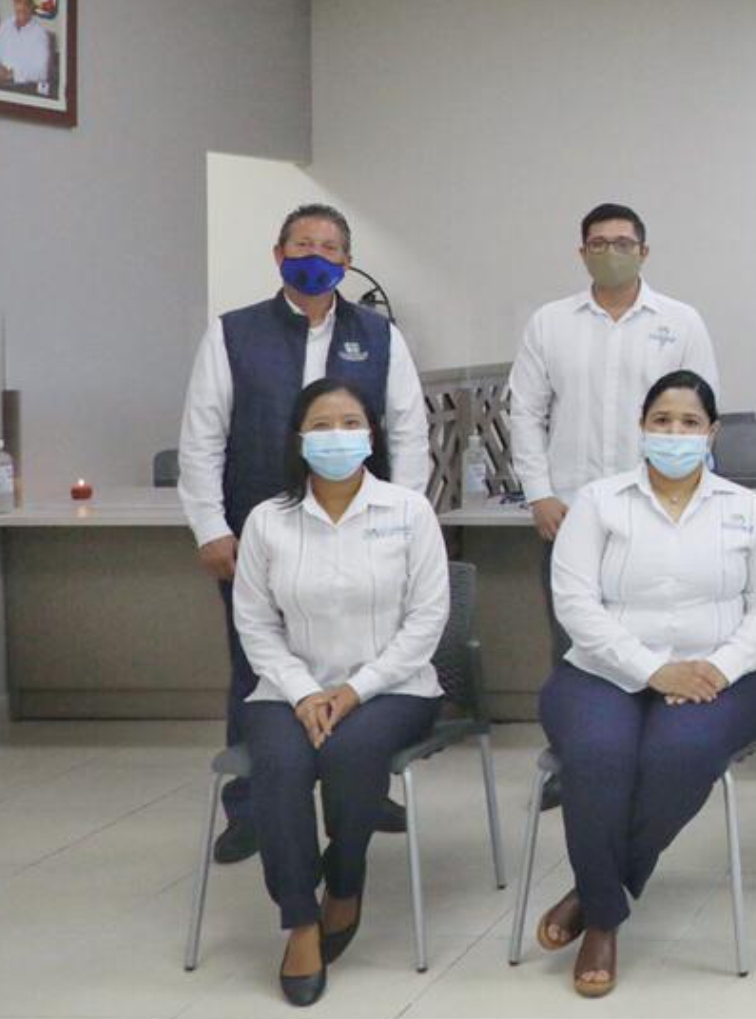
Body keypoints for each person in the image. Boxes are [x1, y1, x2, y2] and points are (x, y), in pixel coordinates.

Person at [179, 203, 430, 864]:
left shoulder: (379, 335)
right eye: (302, 245)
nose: (315, 256)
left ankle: (361, 789)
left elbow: (409, 431)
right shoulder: (233, 334)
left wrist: (406, 517)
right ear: (278, 254)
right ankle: (251, 806)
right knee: (256, 664)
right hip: (259, 535)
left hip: (364, 530)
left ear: (347, 261)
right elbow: (202, 437)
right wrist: (210, 526)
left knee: (364, 655)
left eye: (328, 247)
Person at [533, 370, 756, 999]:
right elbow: (574, 604)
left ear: (712, 433)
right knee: (598, 753)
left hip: (717, 676)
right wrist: (651, 669)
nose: (675, 433)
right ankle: (604, 921)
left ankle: (598, 892)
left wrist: (721, 667)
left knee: (679, 754)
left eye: (689, 423)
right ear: (642, 427)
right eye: (662, 421)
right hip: (602, 670)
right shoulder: (599, 502)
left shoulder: (744, 509)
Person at [232, 379, 450, 1006]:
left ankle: (346, 879)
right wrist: (305, 693)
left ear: (371, 435)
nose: (337, 437)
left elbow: (427, 620)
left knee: (350, 752)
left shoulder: (408, 512)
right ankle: (301, 919)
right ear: (299, 439)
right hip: (287, 690)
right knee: (280, 765)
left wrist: (355, 690)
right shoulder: (268, 521)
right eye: (321, 426)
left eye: (350, 423)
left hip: (394, 688)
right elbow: (255, 624)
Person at [508, 202, 717, 807]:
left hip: (656, 513)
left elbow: (702, 415)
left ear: (644, 252)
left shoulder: (680, 321)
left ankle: (649, 754)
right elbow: (525, 412)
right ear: (582, 253)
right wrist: (539, 493)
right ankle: (576, 761)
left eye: (623, 243)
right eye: (598, 243)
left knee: (655, 630)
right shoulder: (551, 323)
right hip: (570, 513)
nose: (611, 252)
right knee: (574, 642)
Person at [0, 0, 52, 93]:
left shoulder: (40, 35)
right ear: (13, 1)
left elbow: (42, 72)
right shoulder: (4, 27)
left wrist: (12, 74)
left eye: (26, 2)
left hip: (25, 92)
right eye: (18, 1)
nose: (22, 7)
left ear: (32, 3)